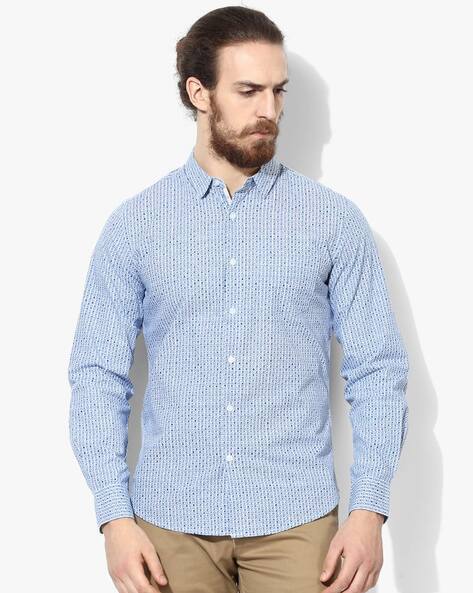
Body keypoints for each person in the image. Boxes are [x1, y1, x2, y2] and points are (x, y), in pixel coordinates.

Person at [67, 6, 409, 593]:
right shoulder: (135, 226)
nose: (269, 110)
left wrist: (369, 510)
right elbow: (97, 374)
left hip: (297, 522)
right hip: (169, 524)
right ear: (199, 94)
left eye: (279, 91)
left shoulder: (334, 222)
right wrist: (114, 518)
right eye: (249, 91)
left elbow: (378, 368)